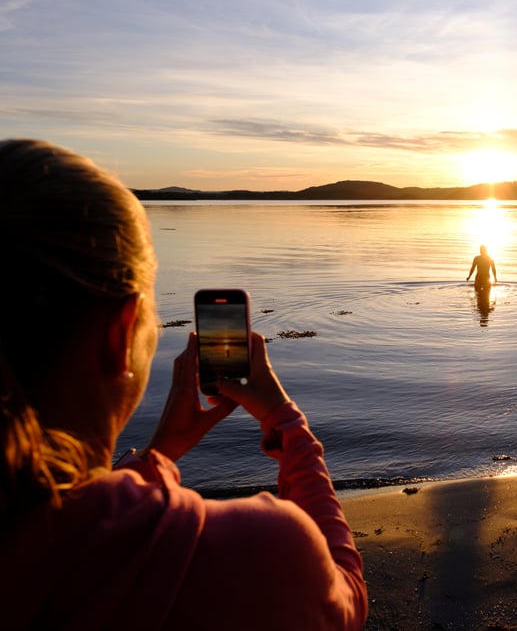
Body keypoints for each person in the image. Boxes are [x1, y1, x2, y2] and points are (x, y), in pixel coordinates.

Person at [0, 140, 367, 629]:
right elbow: (347, 597)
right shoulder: (262, 552)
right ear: (120, 334)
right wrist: (288, 425)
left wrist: (159, 455)